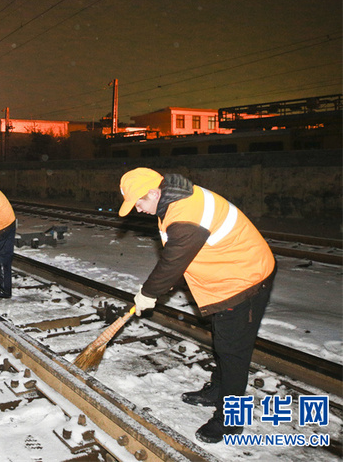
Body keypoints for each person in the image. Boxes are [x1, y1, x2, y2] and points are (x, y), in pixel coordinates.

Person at [118, 168, 276, 444]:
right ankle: (218, 389)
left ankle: (231, 419)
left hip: (243, 281)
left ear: (154, 193)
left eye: (139, 203)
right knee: (224, 343)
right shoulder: (173, 199)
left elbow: (172, 263)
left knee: (233, 353)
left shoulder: (186, 217)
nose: (139, 210)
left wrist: (148, 293)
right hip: (226, 275)